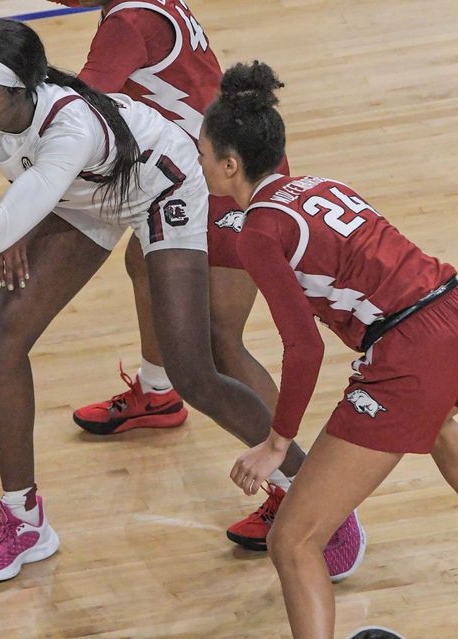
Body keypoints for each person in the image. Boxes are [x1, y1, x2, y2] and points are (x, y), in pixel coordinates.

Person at [0, 19, 286, 583]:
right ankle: (24, 522)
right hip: (84, 194)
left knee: (195, 370)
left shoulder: (70, 126)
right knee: (2, 338)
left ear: (26, 91)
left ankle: (306, 490)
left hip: (162, 184)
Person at [45, 0, 338, 559]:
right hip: (202, 169)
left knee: (218, 343)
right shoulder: (141, 8)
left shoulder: (127, 23)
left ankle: (296, 489)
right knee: (143, 262)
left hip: (229, 180)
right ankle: (158, 394)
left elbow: (75, 111)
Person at [197, 61, 458, 638]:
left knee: (293, 539)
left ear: (231, 164)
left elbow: (303, 348)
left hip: (409, 350)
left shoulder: (258, 232)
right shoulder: (320, 186)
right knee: (442, 430)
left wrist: (276, 443)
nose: (200, 162)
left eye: (204, 153)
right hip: (451, 305)